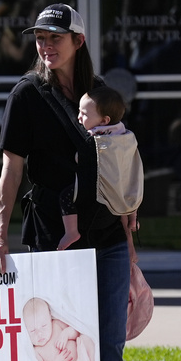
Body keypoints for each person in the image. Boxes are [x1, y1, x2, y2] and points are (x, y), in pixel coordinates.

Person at [0, 3, 147, 361]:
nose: (45, 45)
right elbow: (11, 170)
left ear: (79, 42)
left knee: (107, 347)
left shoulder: (99, 96)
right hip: (56, 239)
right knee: (50, 341)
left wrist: (129, 205)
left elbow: (122, 154)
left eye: (55, 37)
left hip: (108, 233)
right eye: (40, 38)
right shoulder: (27, 95)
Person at [58, 86, 143, 250]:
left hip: (101, 194)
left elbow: (81, 159)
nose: (79, 118)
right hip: (125, 188)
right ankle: (133, 219)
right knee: (130, 187)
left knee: (65, 196)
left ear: (104, 121)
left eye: (84, 114)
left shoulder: (96, 138)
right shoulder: (125, 135)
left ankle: (71, 231)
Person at [22, 297, 94, 361]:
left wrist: (66, 333)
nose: (39, 334)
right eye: (32, 331)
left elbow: (76, 332)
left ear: (50, 317)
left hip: (81, 352)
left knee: (85, 338)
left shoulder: (56, 325)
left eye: (44, 326)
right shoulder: (36, 351)